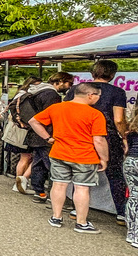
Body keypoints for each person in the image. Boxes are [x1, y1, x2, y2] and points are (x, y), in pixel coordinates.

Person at [28, 82, 108, 233]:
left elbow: (33, 121)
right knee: (82, 188)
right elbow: (98, 140)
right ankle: (81, 223)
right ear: (90, 95)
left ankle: (56, 217)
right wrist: (104, 158)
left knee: (59, 185)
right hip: (85, 156)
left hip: (59, 153)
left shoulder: (57, 107)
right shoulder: (95, 114)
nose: (99, 98)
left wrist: (47, 138)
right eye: (98, 96)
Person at [65, 60, 128, 223]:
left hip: (79, 135)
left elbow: (67, 111)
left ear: (93, 73)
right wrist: (125, 137)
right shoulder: (117, 92)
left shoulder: (77, 89)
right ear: (112, 74)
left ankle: (77, 209)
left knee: (81, 173)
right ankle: (121, 213)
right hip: (107, 136)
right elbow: (118, 119)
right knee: (115, 175)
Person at [20, 72, 74, 201]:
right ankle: (54, 194)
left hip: (35, 133)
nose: (70, 86)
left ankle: (39, 192)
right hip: (46, 133)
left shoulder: (38, 90)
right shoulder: (51, 95)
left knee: (39, 162)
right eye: (69, 83)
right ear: (60, 81)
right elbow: (52, 115)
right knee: (52, 165)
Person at [123, 106, 138, 248]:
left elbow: (127, 150)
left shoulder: (131, 131)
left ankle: (131, 233)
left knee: (133, 197)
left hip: (130, 162)